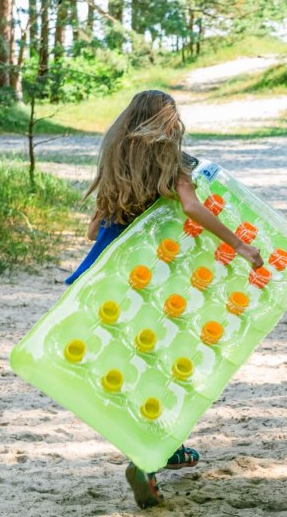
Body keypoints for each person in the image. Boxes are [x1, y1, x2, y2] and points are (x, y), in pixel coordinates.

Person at [66, 89, 264, 508]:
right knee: (167, 365)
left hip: (108, 278)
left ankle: (166, 449)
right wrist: (241, 246)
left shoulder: (116, 156)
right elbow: (192, 208)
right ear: (168, 123)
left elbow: (92, 229)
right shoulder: (170, 161)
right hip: (152, 278)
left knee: (131, 362)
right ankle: (148, 456)